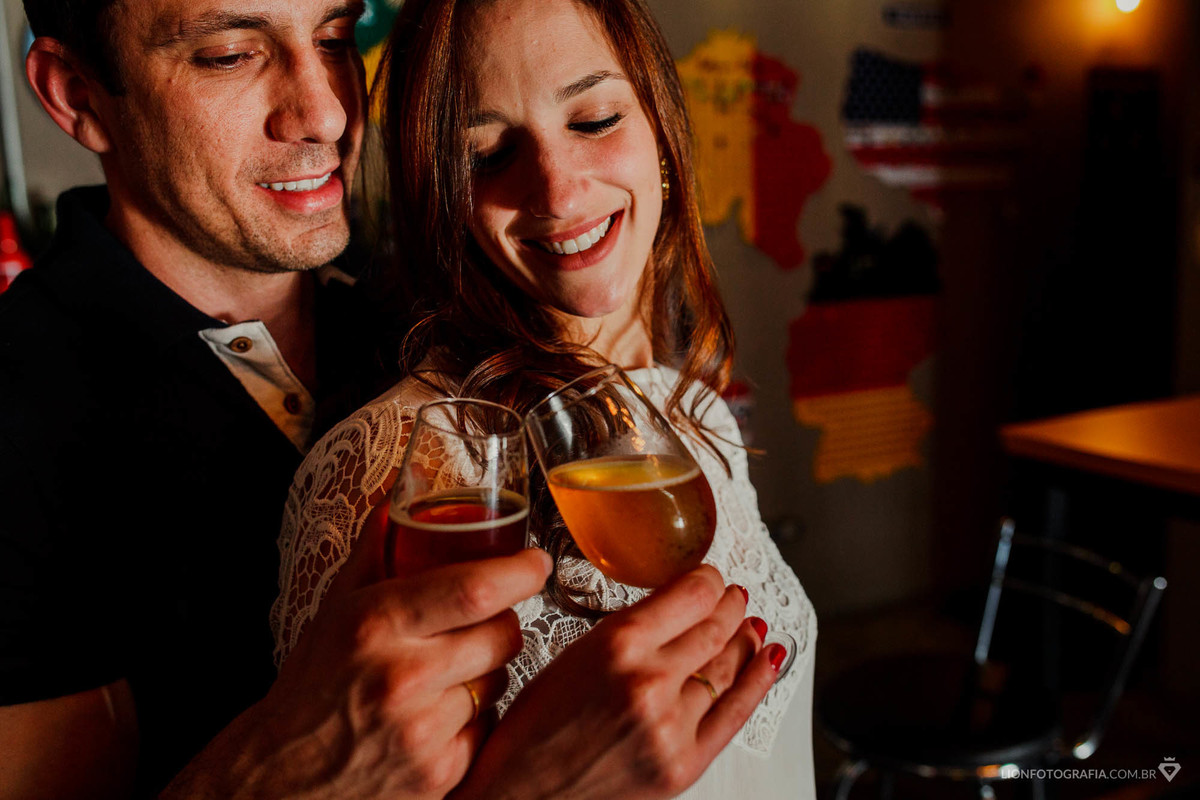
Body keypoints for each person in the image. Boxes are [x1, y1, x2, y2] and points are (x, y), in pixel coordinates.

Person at [0, 1, 777, 798]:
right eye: (230, 55)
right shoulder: (21, 415)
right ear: (75, 95)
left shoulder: (425, 319)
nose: (328, 112)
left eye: (336, 39)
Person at [271, 0, 819, 797]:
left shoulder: (689, 410)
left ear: (662, 126)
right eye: (488, 154)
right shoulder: (404, 464)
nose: (557, 194)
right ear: (442, 198)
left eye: (594, 119)